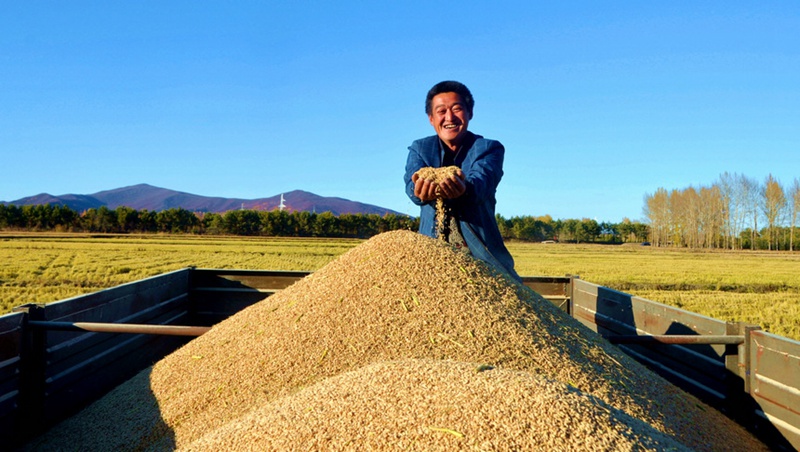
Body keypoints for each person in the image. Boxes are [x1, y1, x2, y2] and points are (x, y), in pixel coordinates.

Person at [404, 81, 520, 281]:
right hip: (432, 257)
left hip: (481, 257)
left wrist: (464, 189)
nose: (449, 117)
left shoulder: (488, 148)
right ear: (431, 118)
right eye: (441, 111)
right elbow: (411, 183)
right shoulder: (420, 148)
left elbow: (482, 182)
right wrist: (418, 188)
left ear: (470, 113)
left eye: (457, 109)